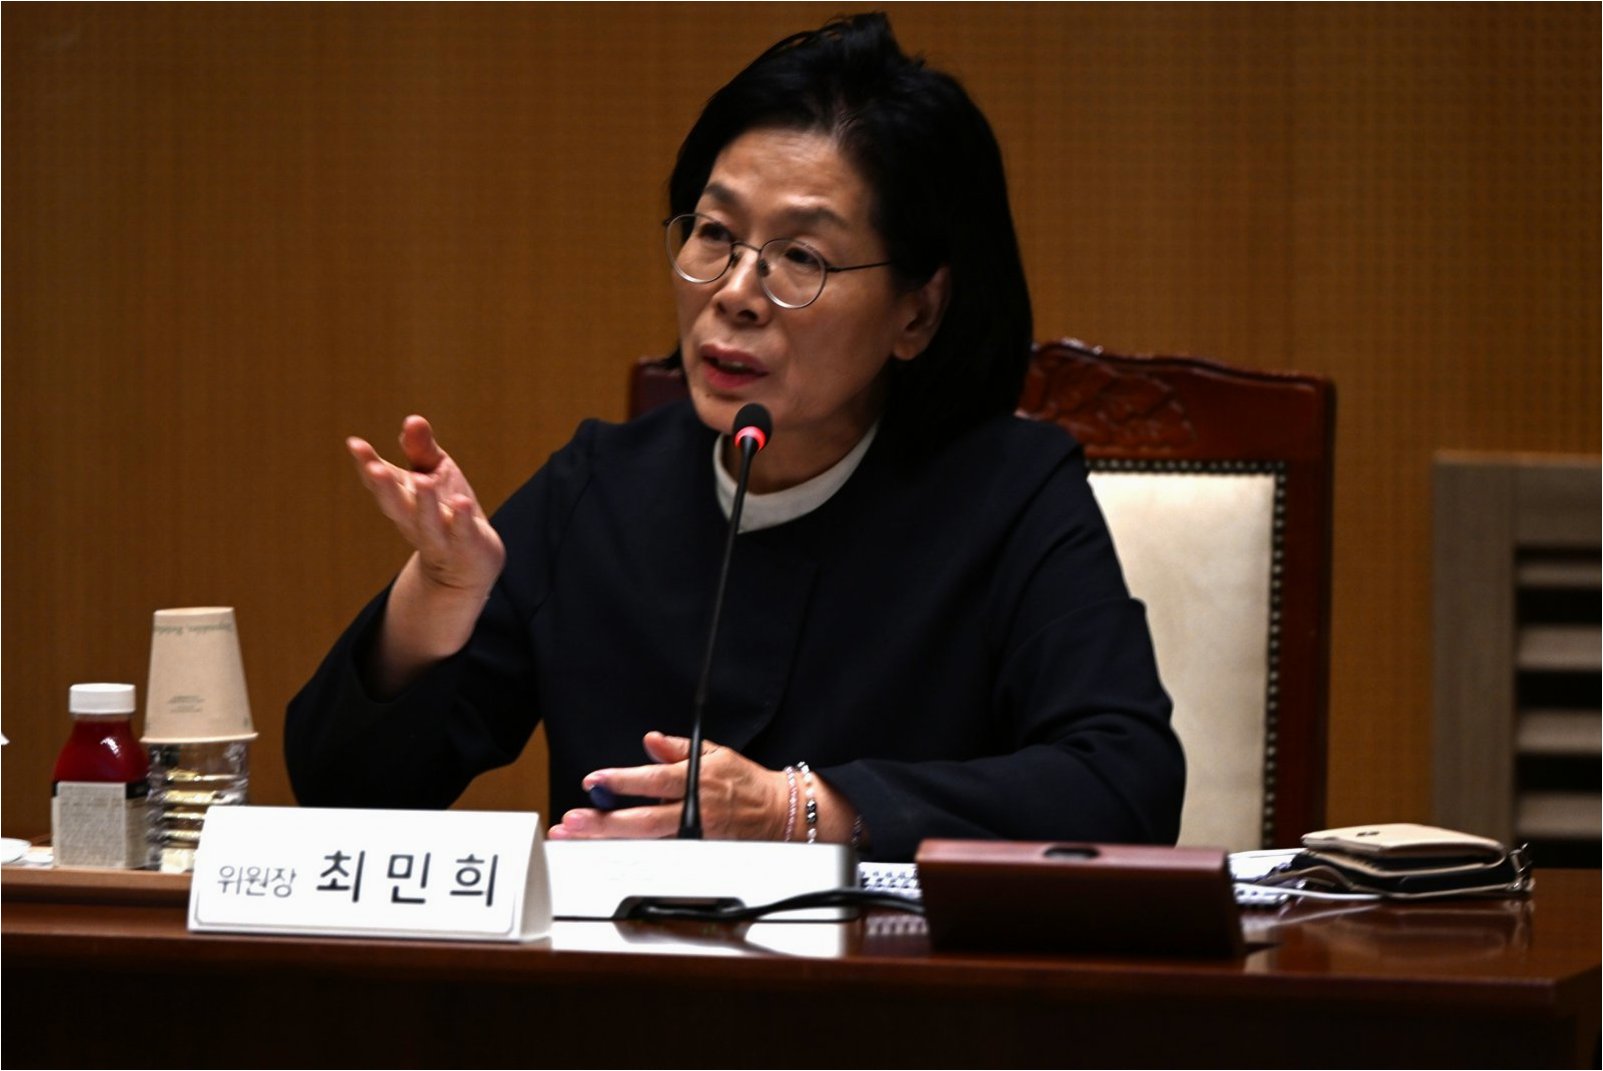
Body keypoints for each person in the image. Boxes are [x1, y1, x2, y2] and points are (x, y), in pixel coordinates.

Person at [285, 13, 1184, 861]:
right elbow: (342, 791)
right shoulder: (599, 490)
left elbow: (1123, 783)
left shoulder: (1007, 494)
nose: (736, 292)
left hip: (900, 974)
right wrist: (437, 599)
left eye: (801, 257)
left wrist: (803, 812)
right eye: (714, 234)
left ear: (916, 311)